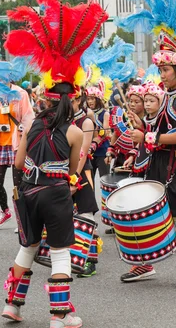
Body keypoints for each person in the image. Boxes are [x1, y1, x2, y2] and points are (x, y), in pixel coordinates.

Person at [1, 0, 107, 327]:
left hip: (28, 193)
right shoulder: (77, 131)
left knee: (28, 248)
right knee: (61, 252)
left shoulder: (31, 124)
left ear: (45, 98)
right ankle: (59, 316)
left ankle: (12, 307)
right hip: (57, 194)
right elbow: (75, 170)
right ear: (73, 98)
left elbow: (17, 164)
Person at [118, 30, 176, 288]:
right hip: (159, 161)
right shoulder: (167, 97)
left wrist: (147, 138)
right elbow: (158, 129)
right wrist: (141, 126)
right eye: (161, 69)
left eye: (165, 69)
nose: (162, 74)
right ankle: (146, 263)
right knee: (151, 213)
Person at [0, 81, 35, 229]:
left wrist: (27, 143)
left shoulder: (21, 94)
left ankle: (21, 218)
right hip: (0, 145)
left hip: (18, 144)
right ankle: (5, 211)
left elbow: (28, 119)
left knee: (18, 186)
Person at [70, 90, 101, 278]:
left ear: (78, 99)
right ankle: (73, 256)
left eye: (71, 100)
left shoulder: (86, 121)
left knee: (86, 214)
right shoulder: (60, 119)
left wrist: (73, 177)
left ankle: (90, 259)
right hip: (63, 171)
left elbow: (82, 152)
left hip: (81, 171)